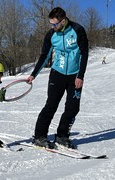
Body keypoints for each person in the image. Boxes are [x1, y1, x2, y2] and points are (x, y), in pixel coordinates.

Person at [27, 7, 89, 149]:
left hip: (74, 76)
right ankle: (39, 136)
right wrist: (33, 74)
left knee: (73, 108)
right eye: (51, 24)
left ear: (63, 21)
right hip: (57, 74)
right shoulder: (51, 35)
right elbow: (44, 56)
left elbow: (84, 54)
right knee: (51, 105)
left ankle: (62, 135)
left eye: (55, 24)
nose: (52, 26)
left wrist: (80, 75)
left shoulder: (77, 30)